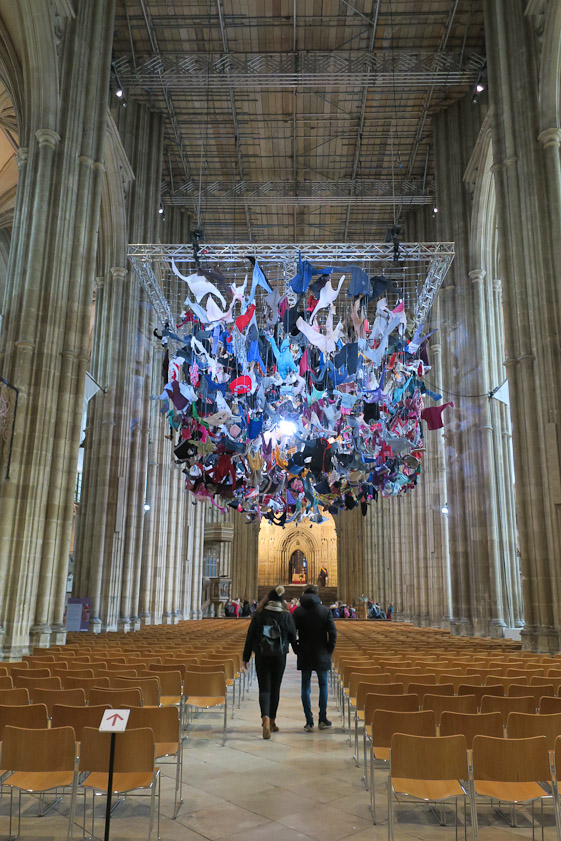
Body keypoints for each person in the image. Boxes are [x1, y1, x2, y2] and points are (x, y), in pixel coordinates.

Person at [242, 585, 296, 739]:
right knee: (275, 688)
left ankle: (264, 718)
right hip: (279, 655)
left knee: (264, 688)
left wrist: (246, 657)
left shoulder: (259, 614)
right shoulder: (286, 615)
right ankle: (272, 721)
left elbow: (250, 636)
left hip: (262, 654)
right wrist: (297, 650)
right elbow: (293, 636)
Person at [293, 584, 337, 732]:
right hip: (321, 653)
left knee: (305, 687)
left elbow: (291, 633)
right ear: (317, 594)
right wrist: (329, 650)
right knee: (323, 685)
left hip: (304, 653)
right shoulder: (325, 611)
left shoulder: (298, 611)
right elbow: (333, 633)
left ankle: (309, 721)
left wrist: (296, 648)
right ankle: (323, 719)